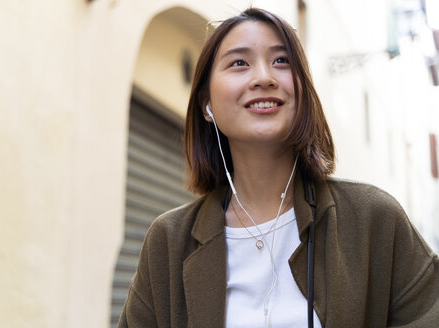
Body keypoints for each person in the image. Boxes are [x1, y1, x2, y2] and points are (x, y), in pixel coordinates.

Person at [118, 7, 439, 328]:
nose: (263, 78)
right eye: (239, 63)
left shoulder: (374, 219)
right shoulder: (169, 241)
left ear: (304, 92)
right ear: (207, 104)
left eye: (282, 61)